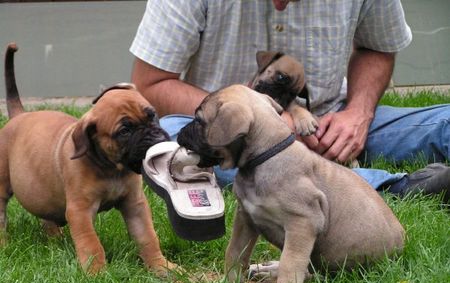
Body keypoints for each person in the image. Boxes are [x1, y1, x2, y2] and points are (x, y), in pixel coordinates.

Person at [130, 0, 450, 202]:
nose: (282, 5)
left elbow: (378, 46)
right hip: (229, 132)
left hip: (328, 119)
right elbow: (152, 83)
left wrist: (358, 113)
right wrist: (261, 120)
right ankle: (399, 188)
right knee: (170, 140)